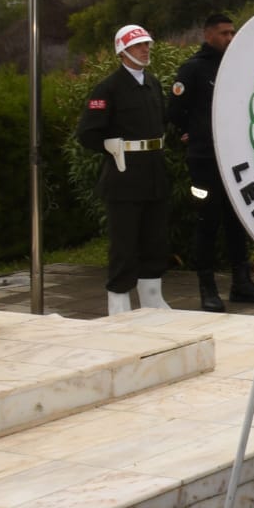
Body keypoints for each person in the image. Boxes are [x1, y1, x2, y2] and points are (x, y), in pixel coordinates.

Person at [168, 12, 254, 311]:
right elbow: (175, 111)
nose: (229, 38)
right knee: (207, 222)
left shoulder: (237, 66)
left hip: (236, 159)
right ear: (208, 34)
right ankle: (207, 288)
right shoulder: (193, 69)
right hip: (204, 161)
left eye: (232, 32)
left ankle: (242, 284)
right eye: (224, 33)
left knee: (238, 221)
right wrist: (193, 131)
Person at [76, 24, 174, 315]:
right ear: (122, 51)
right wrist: (110, 145)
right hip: (125, 177)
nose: (144, 50)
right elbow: (87, 132)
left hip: (154, 173)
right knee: (125, 244)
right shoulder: (109, 88)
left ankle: (152, 298)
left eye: (146, 45)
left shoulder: (152, 83)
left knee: (155, 240)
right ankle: (119, 304)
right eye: (137, 46)